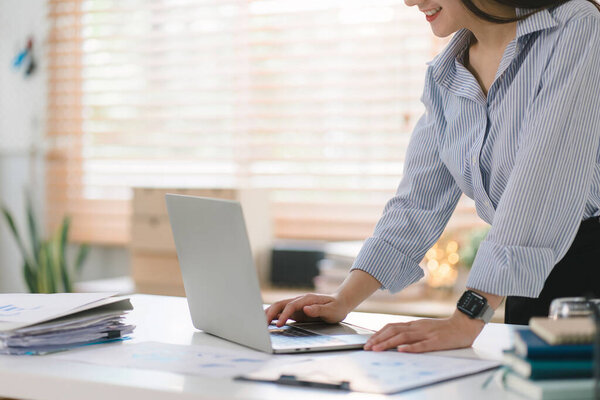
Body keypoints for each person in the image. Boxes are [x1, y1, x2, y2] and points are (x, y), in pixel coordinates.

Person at [265, 0, 600, 353]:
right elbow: (417, 203)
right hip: (525, 280)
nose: (410, 0)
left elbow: (540, 188)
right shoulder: (446, 74)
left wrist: (465, 319)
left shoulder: (575, 26)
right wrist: (340, 300)